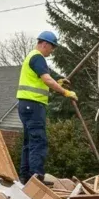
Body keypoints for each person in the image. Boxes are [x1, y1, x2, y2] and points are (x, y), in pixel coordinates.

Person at [16, 31, 78, 184]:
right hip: (34, 106)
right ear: (44, 44)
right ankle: (37, 177)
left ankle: (25, 176)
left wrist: (58, 83)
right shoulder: (38, 57)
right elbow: (47, 79)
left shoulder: (31, 57)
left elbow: (43, 82)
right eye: (52, 48)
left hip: (26, 105)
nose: (52, 51)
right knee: (38, 141)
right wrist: (65, 92)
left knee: (29, 142)